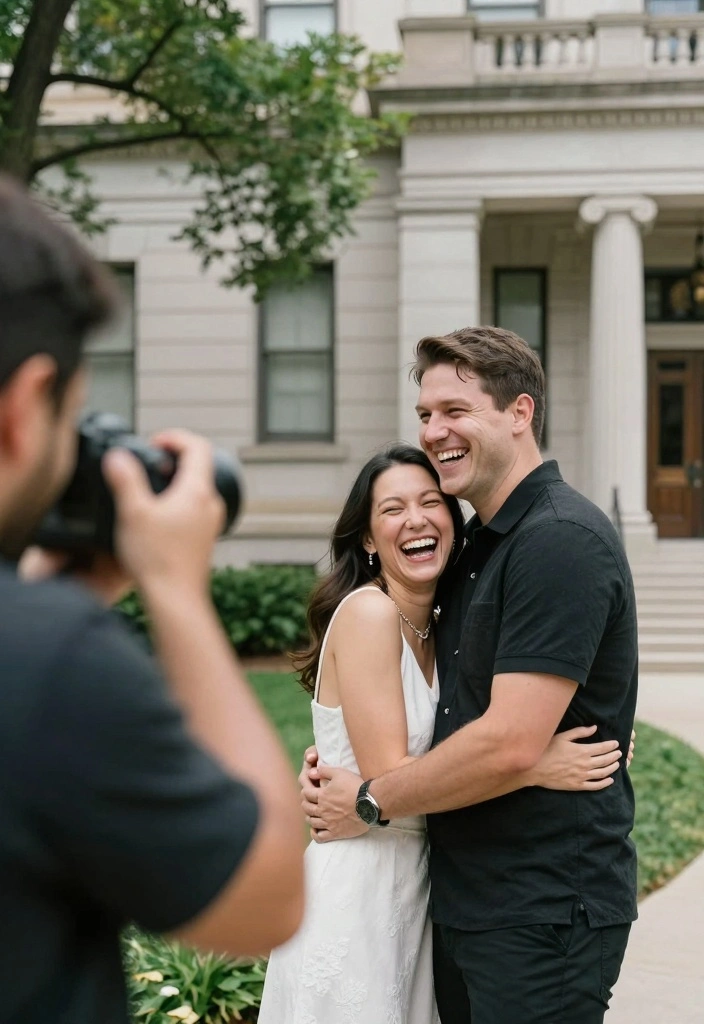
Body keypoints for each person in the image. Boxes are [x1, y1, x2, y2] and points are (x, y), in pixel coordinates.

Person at [0, 175, 304, 1024]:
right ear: (22, 410)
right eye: (72, 419)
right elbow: (266, 897)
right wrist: (176, 593)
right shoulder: (48, 662)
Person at [302, 326, 639, 1024]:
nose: (434, 431)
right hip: (459, 905)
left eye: (455, 410)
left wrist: (368, 799)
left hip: (541, 908)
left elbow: (510, 740)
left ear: (520, 412)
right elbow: (461, 718)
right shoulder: (476, 552)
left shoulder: (558, 540)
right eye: (425, 414)